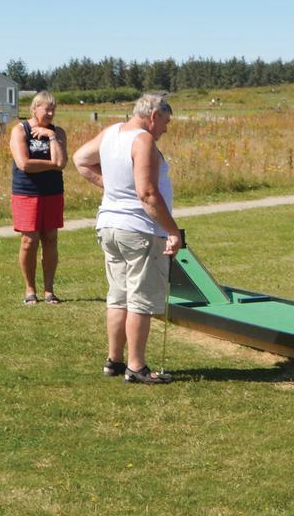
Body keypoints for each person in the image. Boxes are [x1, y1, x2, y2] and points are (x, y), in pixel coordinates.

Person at [71, 92, 183, 384]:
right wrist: (172, 230)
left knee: (118, 296)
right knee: (139, 299)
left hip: (109, 226)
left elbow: (81, 159)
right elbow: (146, 193)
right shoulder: (143, 140)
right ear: (153, 116)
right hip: (138, 229)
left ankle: (114, 360)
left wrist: (112, 187)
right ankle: (136, 366)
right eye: (165, 122)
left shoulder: (111, 132)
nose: (165, 129)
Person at [9, 92, 68, 305]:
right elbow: (24, 164)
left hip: (52, 192)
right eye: (47, 109)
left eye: (53, 109)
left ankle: (49, 290)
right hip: (26, 192)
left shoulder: (57, 132)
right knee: (29, 241)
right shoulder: (20, 130)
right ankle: (30, 290)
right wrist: (52, 164)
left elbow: (62, 162)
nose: (51, 113)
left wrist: (50, 136)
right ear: (34, 108)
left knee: (50, 238)